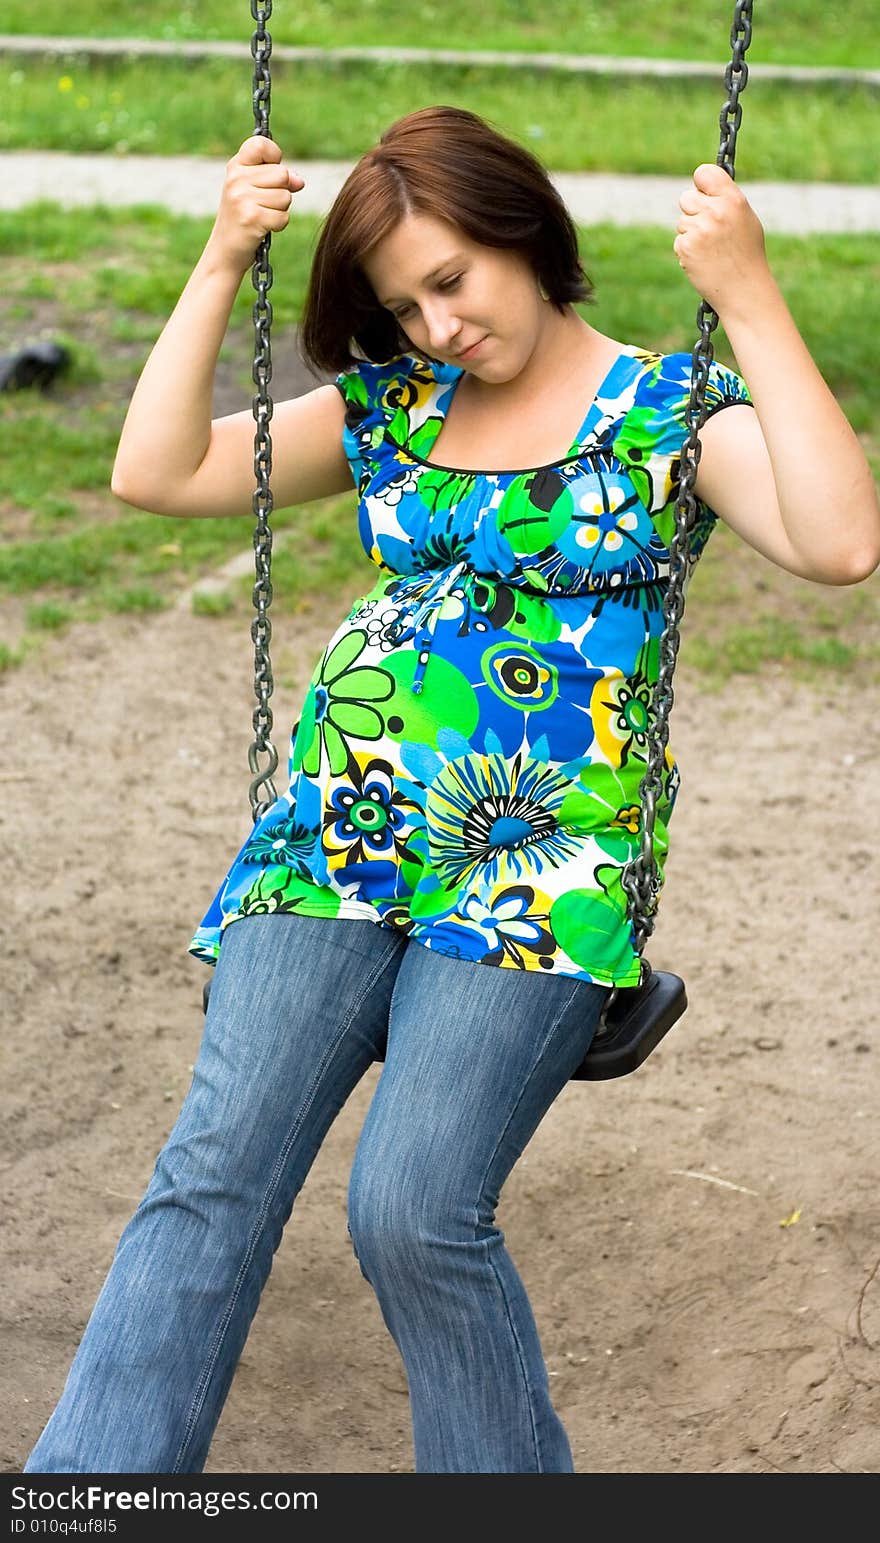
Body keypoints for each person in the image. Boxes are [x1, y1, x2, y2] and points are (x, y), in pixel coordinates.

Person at [24, 105, 879, 1476]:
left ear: (523, 232)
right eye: (402, 303)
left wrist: (751, 294)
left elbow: (841, 543)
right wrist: (214, 264)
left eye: (450, 281)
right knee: (212, 1174)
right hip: (338, 828)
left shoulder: (668, 414)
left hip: (540, 869)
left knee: (413, 1210)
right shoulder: (394, 413)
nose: (435, 327)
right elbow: (155, 473)